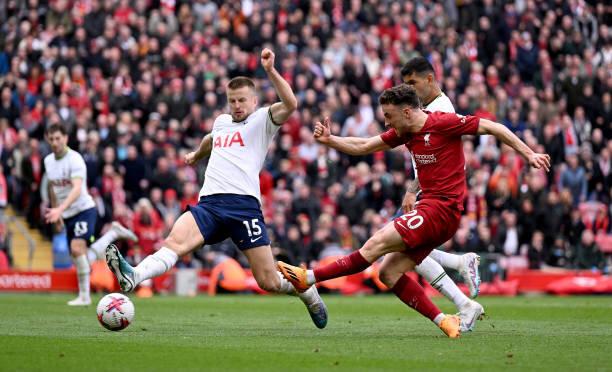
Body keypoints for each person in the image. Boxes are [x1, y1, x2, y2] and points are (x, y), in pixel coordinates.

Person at [278, 84, 550, 337]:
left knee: (377, 242)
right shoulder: (405, 132)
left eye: (389, 115)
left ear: (407, 112)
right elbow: (364, 145)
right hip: (432, 209)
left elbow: (494, 127)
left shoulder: (443, 123)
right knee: (388, 273)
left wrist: (529, 154)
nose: (386, 122)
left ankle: (308, 277)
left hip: (442, 208)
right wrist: (331, 140)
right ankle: (445, 320)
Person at [105, 48, 328, 329]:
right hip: (209, 203)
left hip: (243, 207)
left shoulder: (262, 120)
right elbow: (212, 138)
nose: (236, 105)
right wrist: (197, 154)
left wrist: (271, 71)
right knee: (174, 243)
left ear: (254, 100)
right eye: (232, 100)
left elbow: (292, 103)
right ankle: (134, 275)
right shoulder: (221, 122)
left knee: (268, 281)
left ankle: (307, 291)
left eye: (242, 100)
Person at [399, 57, 484, 332]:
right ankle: (461, 269)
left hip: (437, 192)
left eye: (413, 83)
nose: (409, 89)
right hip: (429, 188)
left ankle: (464, 301)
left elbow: (437, 159)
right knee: (410, 250)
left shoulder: (442, 111)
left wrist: (413, 191)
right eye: (405, 84)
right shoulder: (426, 108)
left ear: (430, 80)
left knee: (408, 250)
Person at [44, 124, 138, 306]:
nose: (55, 143)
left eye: (58, 138)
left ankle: (84, 297)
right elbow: (53, 188)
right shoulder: (48, 161)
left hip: (84, 209)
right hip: (66, 212)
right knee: (81, 256)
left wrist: (60, 209)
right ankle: (113, 233)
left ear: (65, 138)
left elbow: (77, 189)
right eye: (51, 139)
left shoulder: (75, 159)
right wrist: (56, 211)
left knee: (77, 248)